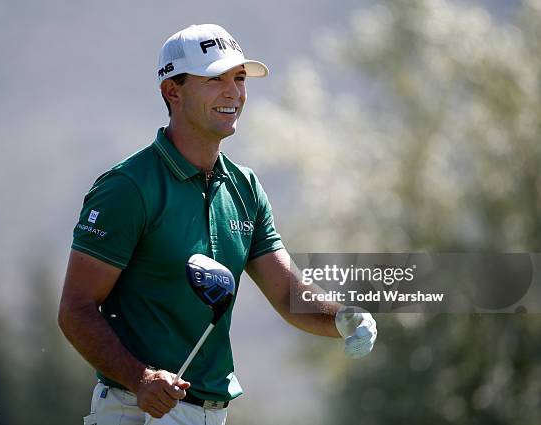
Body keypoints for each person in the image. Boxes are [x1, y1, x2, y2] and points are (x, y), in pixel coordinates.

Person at [58, 24, 377, 425]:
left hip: (211, 415)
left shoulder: (245, 187)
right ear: (172, 91)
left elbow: (288, 294)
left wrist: (343, 318)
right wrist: (139, 379)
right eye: (215, 80)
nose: (234, 93)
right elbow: (75, 309)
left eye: (239, 79)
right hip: (135, 411)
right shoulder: (129, 188)